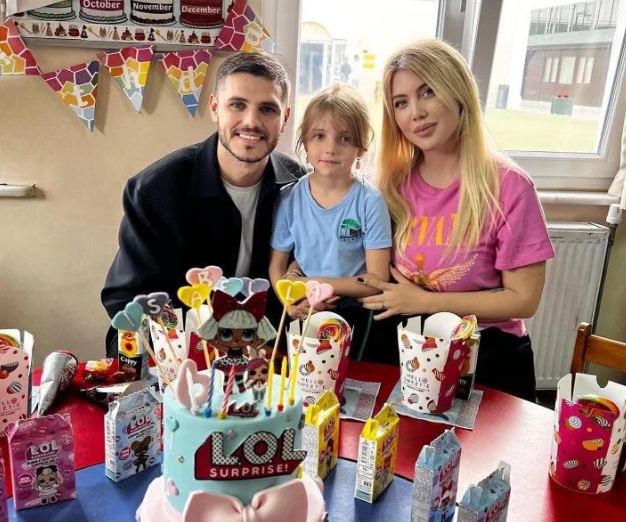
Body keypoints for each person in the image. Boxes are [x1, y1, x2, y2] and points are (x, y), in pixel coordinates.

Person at [358, 40, 554, 401]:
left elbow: (524, 300)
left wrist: (425, 302)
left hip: (487, 354)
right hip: (407, 346)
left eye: (427, 92)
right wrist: (298, 275)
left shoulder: (510, 186)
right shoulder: (385, 184)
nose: (416, 113)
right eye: (401, 103)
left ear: (457, 91)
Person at [101, 52, 307, 357]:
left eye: (267, 109)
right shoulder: (156, 188)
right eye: (237, 105)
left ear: (285, 118)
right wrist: (196, 348)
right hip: (176, 355)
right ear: (214, 108)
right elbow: (126, 296)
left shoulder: (303, 188)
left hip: (266, 354)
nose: (251, 122)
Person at [269, 83, 392, 358]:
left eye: (344, 138)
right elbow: (277, 266)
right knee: (301, 370)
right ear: (305, 142)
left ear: (360, 148)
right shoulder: (289, 198)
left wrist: (313, 282)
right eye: (319, 136)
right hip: (304, 300)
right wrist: (289, 300)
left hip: (354, 305)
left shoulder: (370, 201)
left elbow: (377, 279)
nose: (330, 148)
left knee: (349, 371)